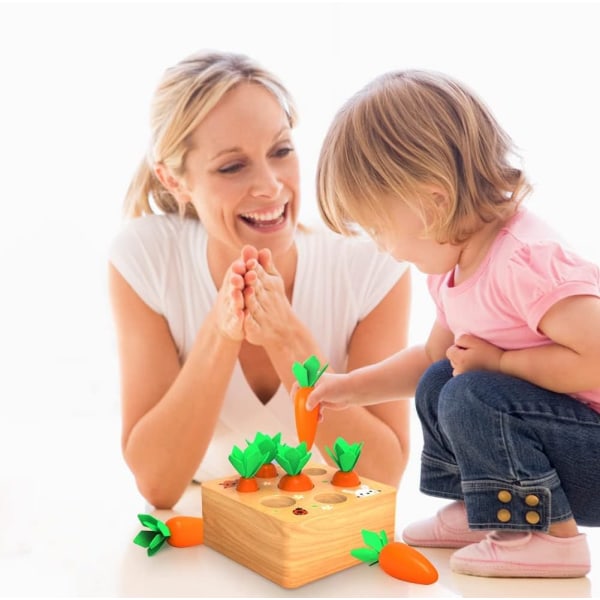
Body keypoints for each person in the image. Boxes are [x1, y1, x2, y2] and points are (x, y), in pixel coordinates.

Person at [306, 68, 600, 578]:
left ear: (433, 201)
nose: (380, 244)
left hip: (590, 454)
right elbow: (428, 359)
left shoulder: (523, 261)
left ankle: (554, 537)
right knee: (441, 377)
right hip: (555, 445)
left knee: (471, 391)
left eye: (378, 226)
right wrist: (352, 389)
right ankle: (482, 507)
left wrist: (502, 361)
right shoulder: (452, 271)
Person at [108, 50, 412, 510]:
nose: (270, 185)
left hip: (314, 524)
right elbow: (158, 486)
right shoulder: (147, 258)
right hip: (203, 524)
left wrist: (288, 340)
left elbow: (383, 476)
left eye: (281, 151)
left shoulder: (369, 263)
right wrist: (222, 330)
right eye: (232, 166)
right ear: (174, 180)